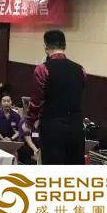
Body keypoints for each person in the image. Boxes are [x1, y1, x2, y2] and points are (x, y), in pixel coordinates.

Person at [24, 29, 86, 165]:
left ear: (46, 48)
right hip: (76, 126)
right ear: (65, 46)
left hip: (52, 127)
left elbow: (36, 102)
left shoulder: (42, 69)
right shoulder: (80, 70)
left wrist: (29, 124)